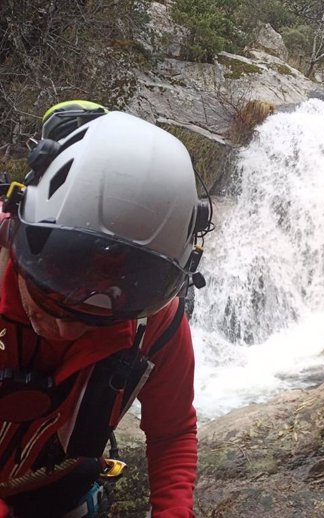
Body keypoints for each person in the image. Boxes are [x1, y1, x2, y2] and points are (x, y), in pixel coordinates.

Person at [0, 103, 212, 517]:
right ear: (21, 228)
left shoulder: (156, 321)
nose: (65, 326)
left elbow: (172, 433)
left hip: (56, 493)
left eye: (107, 302)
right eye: (54, 282)